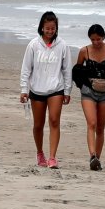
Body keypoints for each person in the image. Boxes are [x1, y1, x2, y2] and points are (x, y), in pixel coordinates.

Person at [19, 11, 72, 170]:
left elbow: (67, 69)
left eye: (53, 28)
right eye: (47, 28)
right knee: (38, 125)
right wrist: (24, 89)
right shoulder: (34, 45)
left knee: (55, 121)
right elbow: (26, 68)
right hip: (36, 90)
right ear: (42, 28)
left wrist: (67, 91)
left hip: (56, 89)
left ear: (56, 29)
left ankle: (52, 157)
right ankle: (40, 153)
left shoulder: (62, 45)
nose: (50, 31)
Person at [73, 24, 105, 171]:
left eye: (98, 39)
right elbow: (77, 71)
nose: (96, 42)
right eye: (93, 39)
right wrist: (83, 86)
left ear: (104, 37)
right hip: (88, 92)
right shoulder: (84, 51)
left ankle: (97, 158)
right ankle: (92, 155)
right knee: (91, 123)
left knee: (100, 126)